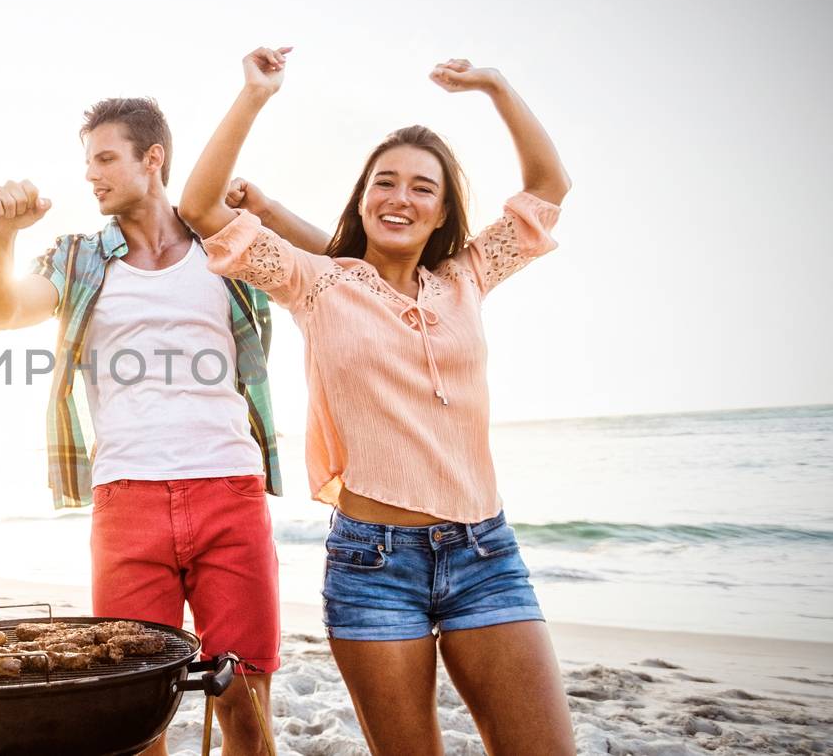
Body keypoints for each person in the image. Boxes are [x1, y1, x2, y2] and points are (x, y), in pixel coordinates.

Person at [176, 46, 575, 755]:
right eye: (384, 182)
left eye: (423, 187)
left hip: (485, 551)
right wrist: (254, 96)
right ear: (362, 198)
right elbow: (201, 206)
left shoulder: (467, 277)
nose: (401, 196)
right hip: (373, 566)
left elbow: (548, 186)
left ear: (444, 210)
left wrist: (496, 86)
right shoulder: (319, 284)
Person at [0, 98, 329, 755]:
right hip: (127, 501)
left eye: (106, 158)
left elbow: (338, 267)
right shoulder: (79, 258)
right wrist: (1, 236)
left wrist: (265, 200)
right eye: (88, 162)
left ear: (153, 158)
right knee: (136, 722)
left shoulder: (229, 245)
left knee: (246, 713)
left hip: (229, 494)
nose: (91, 175)